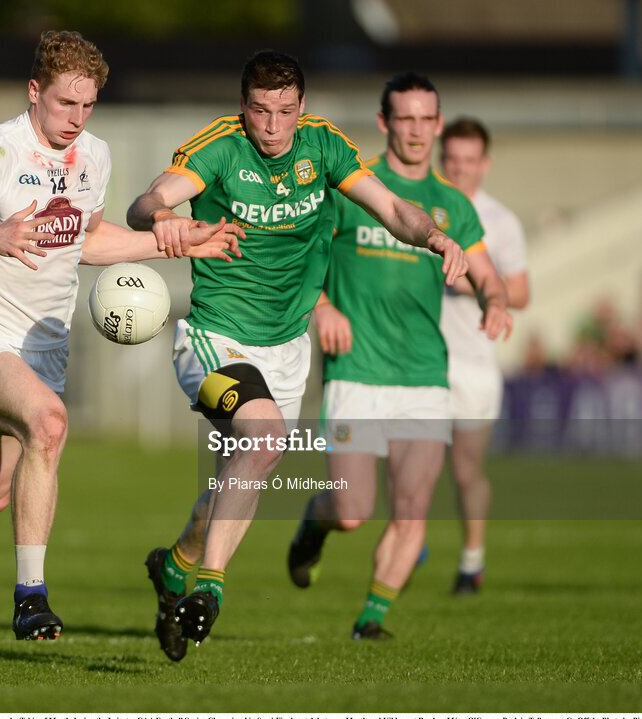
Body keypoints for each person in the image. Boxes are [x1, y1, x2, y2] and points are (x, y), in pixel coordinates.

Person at [0, 30, 241, 671]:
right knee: (49, 423)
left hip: (42, 350)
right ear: (34, 92)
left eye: (88, 105)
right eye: (64, 104)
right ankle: (30, 596)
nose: (76, 118)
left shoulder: (93, 155)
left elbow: (88, 240)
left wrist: (177, 243)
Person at [127, 52, 469, 661]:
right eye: (261, 111)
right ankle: (208, 590)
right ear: (244, 108)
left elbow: (392, 209)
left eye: (285, 112)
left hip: (286, 351)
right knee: (263, 439)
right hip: (214, 339)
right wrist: (164, 219)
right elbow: (149, 199)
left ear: (302, 109)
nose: (273, 126)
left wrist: (436, 235)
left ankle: (176, 566)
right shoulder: (219, 147)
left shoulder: (325, 147)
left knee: (247, 467)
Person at [285, 74, 512, 639]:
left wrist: (497, 303)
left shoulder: (452, 205)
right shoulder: (354, 187)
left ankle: (371, 619)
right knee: (352, 508)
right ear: (385, 122)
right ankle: (314, 525)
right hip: (356, 373)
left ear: (438, 124)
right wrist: (323, 308)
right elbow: (299, 258)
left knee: (412, 507)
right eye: (404, 119)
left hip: (424, 376)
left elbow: (487, 275)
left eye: (425, 119)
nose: (416, 131)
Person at [438, 117, 529, 593]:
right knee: (399, 457)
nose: (460, 169)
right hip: (417, 359)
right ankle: (408, 542)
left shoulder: (500, 221)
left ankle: (472, 560)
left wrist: (474, 282)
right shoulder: (416, 208)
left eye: (469, 161)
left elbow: (522, 291)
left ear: (484, 164)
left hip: (473, 363)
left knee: (466, 470)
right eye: (452, 159)